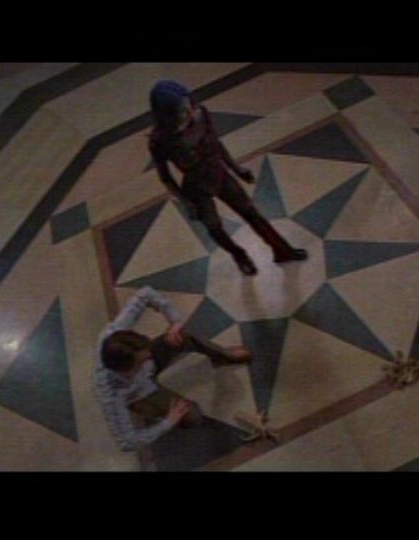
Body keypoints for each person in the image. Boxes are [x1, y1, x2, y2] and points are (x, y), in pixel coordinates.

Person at [148, 79, 308, 276]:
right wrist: (186, 202)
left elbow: (216, 145)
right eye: (181, 111)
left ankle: (282, 250)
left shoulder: (201, 114)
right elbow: (165, 178)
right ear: (167, 116)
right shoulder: (160, 141)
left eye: (188, 106)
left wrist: (237, 169)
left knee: (252, 213)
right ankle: (239, 255)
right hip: (196, 188)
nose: (188, 113)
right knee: (215, 227)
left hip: (220, 173)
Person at [93, 285, 251, 452]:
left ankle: (221, 356)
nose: (149, 356)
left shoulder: (115, 334)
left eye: (146, 352)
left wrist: (174, 321)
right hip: (139, 394)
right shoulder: (110, 395)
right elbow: (127, 442)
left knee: (179, 336)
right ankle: (151, 410)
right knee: (193, 417)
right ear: (125, 370)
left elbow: (145, 293)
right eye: (142, 360)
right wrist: (168, 422)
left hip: (140, 373)